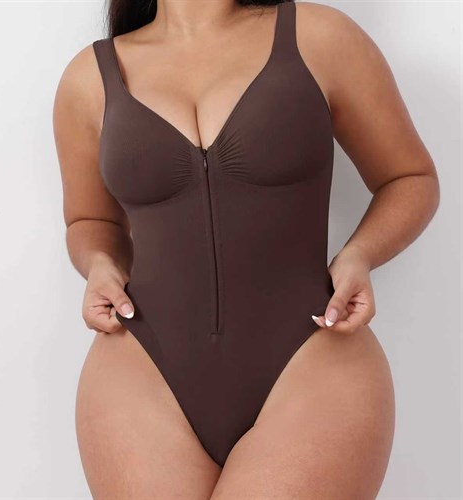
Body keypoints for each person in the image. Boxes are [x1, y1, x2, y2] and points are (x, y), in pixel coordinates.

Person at [53, 0, 439, 497]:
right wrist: (99, 264)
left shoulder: (319, 37)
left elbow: (410, 178)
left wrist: (358, 255)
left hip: (314, 354)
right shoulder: (89, 77)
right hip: (141, 369)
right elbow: (90, 219)